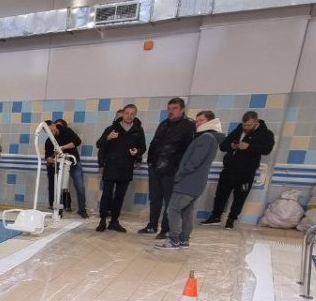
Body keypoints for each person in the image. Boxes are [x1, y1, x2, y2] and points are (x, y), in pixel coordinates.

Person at [156, 110, 225, 249]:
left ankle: (174, 240)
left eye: (201, 120)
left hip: (188, 182)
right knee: (186, 212)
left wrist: (179, 174)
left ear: (210, 121)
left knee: (173, 210)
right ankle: (184, 240)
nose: (197, 123)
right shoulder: (211, 138)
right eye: (197, 120)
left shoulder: (206, 137)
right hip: (196, 183)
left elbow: (194, 162)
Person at [203, 110, 274, 229]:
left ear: (256, 122)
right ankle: (215, 217)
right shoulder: (239, 129)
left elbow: (267, 150)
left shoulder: (266, 133)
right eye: (244, 125)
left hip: (246, 172)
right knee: (220, 194)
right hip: (229, 169)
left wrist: (249, 147)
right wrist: (232, 146)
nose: (245, 128)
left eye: (248, 125)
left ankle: (231, 219)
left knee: (240, 197)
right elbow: (223, 146)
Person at [140, 97, 195, 239]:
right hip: (155, 168)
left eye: (174, 108)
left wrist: (179, 169)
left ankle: (165, 229)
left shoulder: (189, 125)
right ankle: (152, 226)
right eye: (169, 108)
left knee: (169, 201)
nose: (171, 111)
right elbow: (154, 143)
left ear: (182, 110)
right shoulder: (164, 124)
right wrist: (150, 162)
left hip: (172, 170)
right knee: (155, 198)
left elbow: (189, 150)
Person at [94, 104, 146, 232]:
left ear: (135, 115)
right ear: (123, 114)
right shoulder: (112, 129)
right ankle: (102, 220)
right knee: (106, 195)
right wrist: (108, 137)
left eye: (132, 113)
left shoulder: (138, 130)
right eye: (127, 113)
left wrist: (137, 152)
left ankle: (114, 221)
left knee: (120, 196)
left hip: (126, 168)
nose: (129, 116)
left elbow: (143, 147)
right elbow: (99, 144)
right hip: (111, 167)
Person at [44, 119, 87, 217]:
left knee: (80, 187)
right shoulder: (49, 141)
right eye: (47, 132)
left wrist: (62, 148)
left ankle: (82, 210)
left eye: (51, 130)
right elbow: (48, 157)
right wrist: (52, 158)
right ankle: (59, 211)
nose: (50, 133)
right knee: (58, 188)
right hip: (61, 166)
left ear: (54, 125)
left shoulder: (66, 131)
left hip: (74, 163)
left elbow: (77, 141)